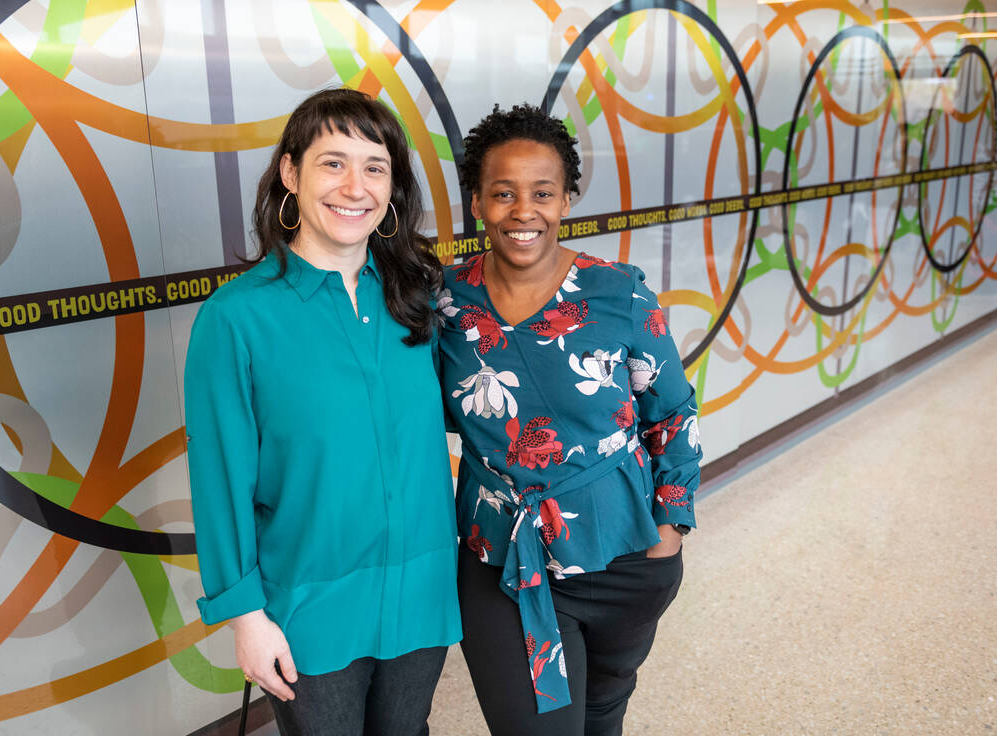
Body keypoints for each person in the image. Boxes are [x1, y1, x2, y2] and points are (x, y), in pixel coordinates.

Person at [184, 88, 460, 736]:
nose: (354, 187)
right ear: (290, 172)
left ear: (392, 188)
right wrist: (246, 618)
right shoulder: (236, 318)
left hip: (421, 589)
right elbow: (220, 482)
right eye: (333, 162)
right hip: (308, 605)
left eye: (374, 167)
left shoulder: (415, 301)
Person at [437, 103, 701, 735]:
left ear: (565, 201)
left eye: (542, 193)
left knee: (603, 712)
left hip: (625, 551)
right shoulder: (443, 301)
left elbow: (671, 414)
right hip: (501, 556)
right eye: (503, 193)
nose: (522, 211)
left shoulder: (619, 292)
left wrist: (670, 530)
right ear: (477, 202)